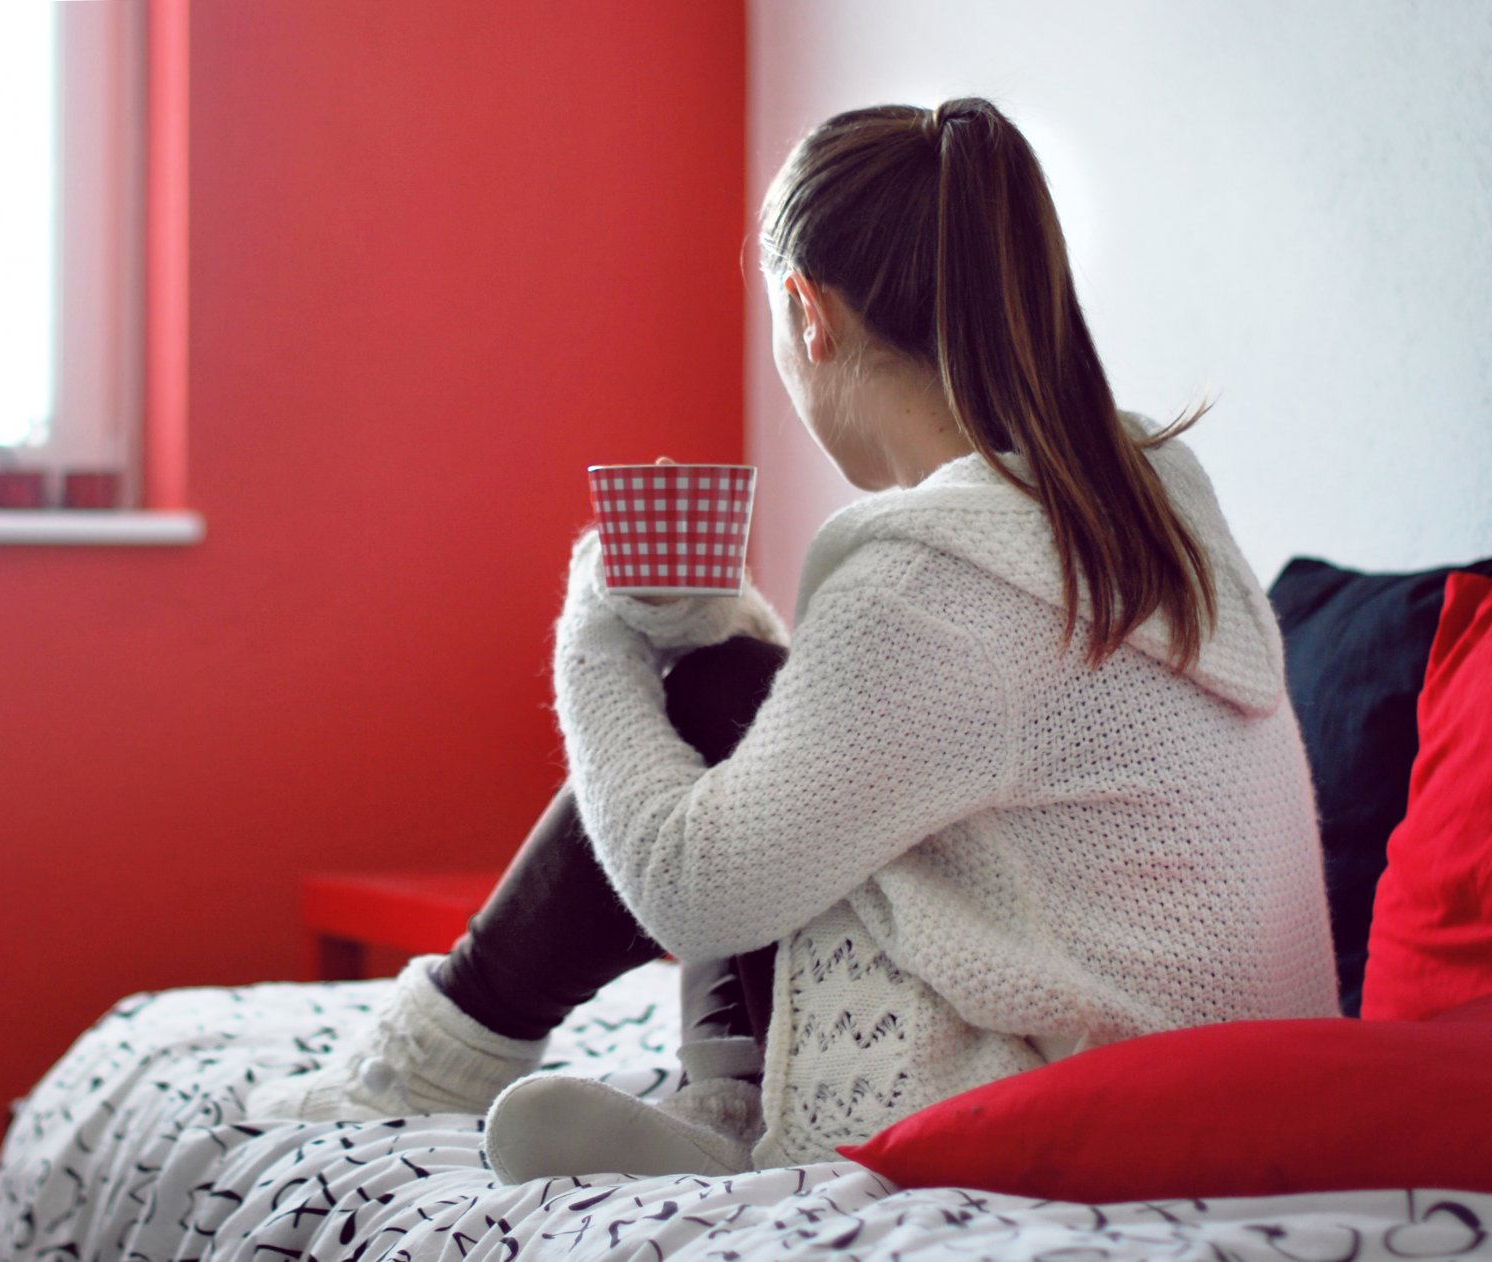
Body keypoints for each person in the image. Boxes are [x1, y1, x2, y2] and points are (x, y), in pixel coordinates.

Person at [247, 97, 1339, 1180]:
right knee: (729, 685)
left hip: (1078, 1101)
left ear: (807, 312)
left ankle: (444, 1059)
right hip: (1233, 1081)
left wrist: (597, 628)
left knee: (710, 723)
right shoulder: (1138, 507)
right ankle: (715, 1100)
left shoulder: (931, 584)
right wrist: (711, 628)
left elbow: (693, 886)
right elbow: (857, 737)